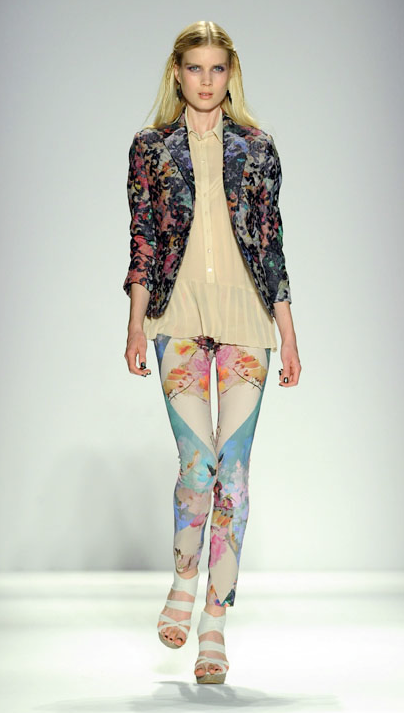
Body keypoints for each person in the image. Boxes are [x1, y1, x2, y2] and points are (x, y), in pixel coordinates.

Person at [123, 20, 302, 685]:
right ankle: (182, 577)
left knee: (235, 472)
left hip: (248, 321)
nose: (206, 80)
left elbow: (271, 241)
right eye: (195, 68)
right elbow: (143, 238)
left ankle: (215, 622)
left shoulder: (258, 148)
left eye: (217, 68)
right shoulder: (150, 148)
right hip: (176, 317)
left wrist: (289, 332)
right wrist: (135, 323)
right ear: (177, 73)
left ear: (231, 74)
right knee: (199, 467)